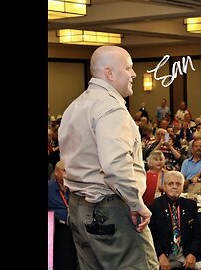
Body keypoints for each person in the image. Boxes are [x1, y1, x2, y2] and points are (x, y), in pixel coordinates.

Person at [58, 45, 158, 270]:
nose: (134, 74)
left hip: (78, 207)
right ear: (109, 72)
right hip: (110, 209)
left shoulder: (75, 106)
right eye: (129, 68)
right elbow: (114, 165)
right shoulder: (111, 109)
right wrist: (136, 203)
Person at [149, 171, 201, 270]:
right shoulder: (155, 205)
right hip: (163, 252)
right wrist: (160, 255)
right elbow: (151, 236)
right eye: (170, 184)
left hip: (184, 251)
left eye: (178, 184)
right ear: (164, 186)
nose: (174, 186)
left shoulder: (190, 205)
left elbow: (198, 234)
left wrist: (192, 253)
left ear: (182, 187)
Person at [48, 161, 78, 270]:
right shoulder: (49, 188)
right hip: (60, 229)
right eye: (64, 171)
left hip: (77, 226)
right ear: (56, 173)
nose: (67, 174)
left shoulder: (76, 188)